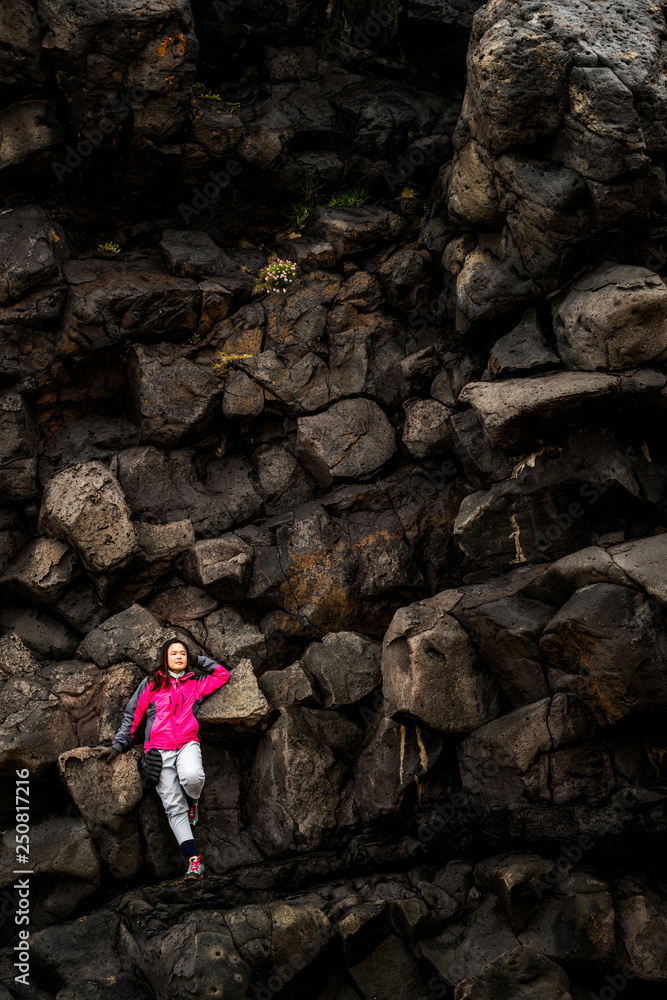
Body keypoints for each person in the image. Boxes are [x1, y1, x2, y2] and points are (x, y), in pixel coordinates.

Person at [98, 637, 230, 879]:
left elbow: (222, 675)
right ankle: (193, 861)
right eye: (173, 653)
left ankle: (193, 802)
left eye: (183, 653)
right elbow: (132, 715)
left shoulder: (196, 684)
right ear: (164, 658)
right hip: (157, 752)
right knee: (172, 806)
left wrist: (198, 660)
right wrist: (118, 746)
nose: (179, 656)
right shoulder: (151, 684)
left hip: (187, 743)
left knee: (192, 777)